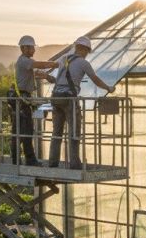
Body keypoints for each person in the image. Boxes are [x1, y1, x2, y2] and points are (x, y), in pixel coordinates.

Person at [48, 36, 115, 169]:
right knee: (74, 132)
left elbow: (57, 77)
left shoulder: (64, 58)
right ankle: (74, 163)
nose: (86, 54)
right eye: (87, 51)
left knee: (56, 132)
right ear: (84, 49)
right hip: (69, 98)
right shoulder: (83, 63)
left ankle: (52, 162)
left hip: (56, 97)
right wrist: (108, 88)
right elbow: (95, 79)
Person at [9, 35, 57, 166]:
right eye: (31, 48)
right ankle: (29, 160)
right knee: (26, 130)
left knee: (19, 131)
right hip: (21, 99)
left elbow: (35, 72)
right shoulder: (24, 60)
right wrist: (56, 64)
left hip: (21, 98)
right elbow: (39, 64)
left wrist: (47, 76)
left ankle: (16, 160)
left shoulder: (24, 62)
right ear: (24, 48)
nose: (33, 50)